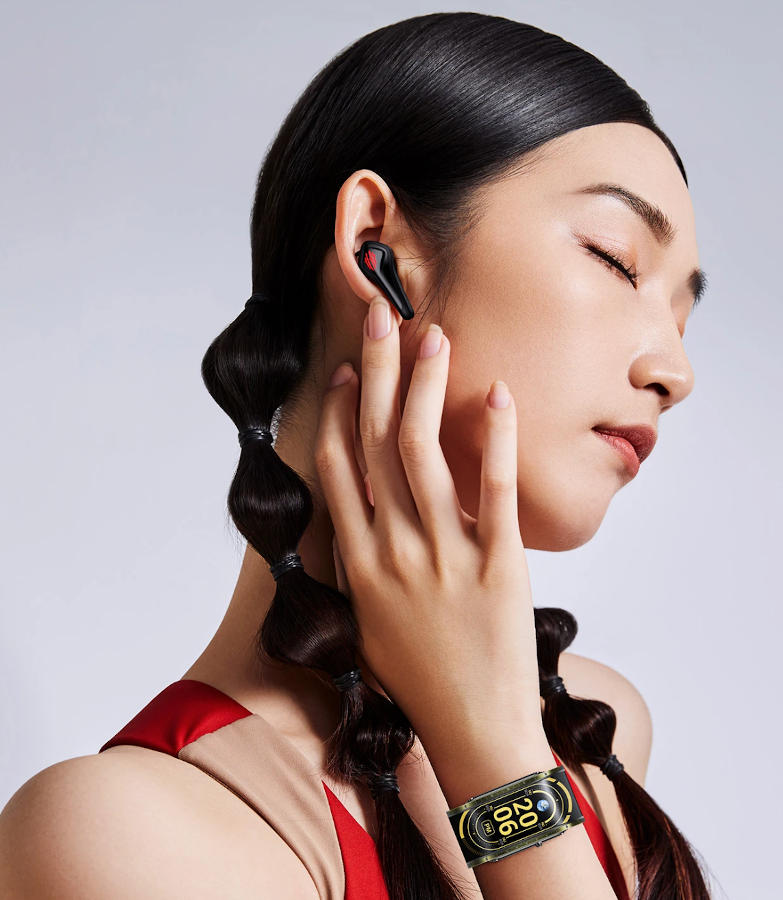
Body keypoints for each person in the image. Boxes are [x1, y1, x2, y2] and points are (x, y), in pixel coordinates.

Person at [0, 12, 713, 900]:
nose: (675, 371)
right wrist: (496, 765)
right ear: (379, 248)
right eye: (616, 260)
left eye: (684, 316)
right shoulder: (129, 835)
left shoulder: (595, 734)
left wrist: (496, 743)